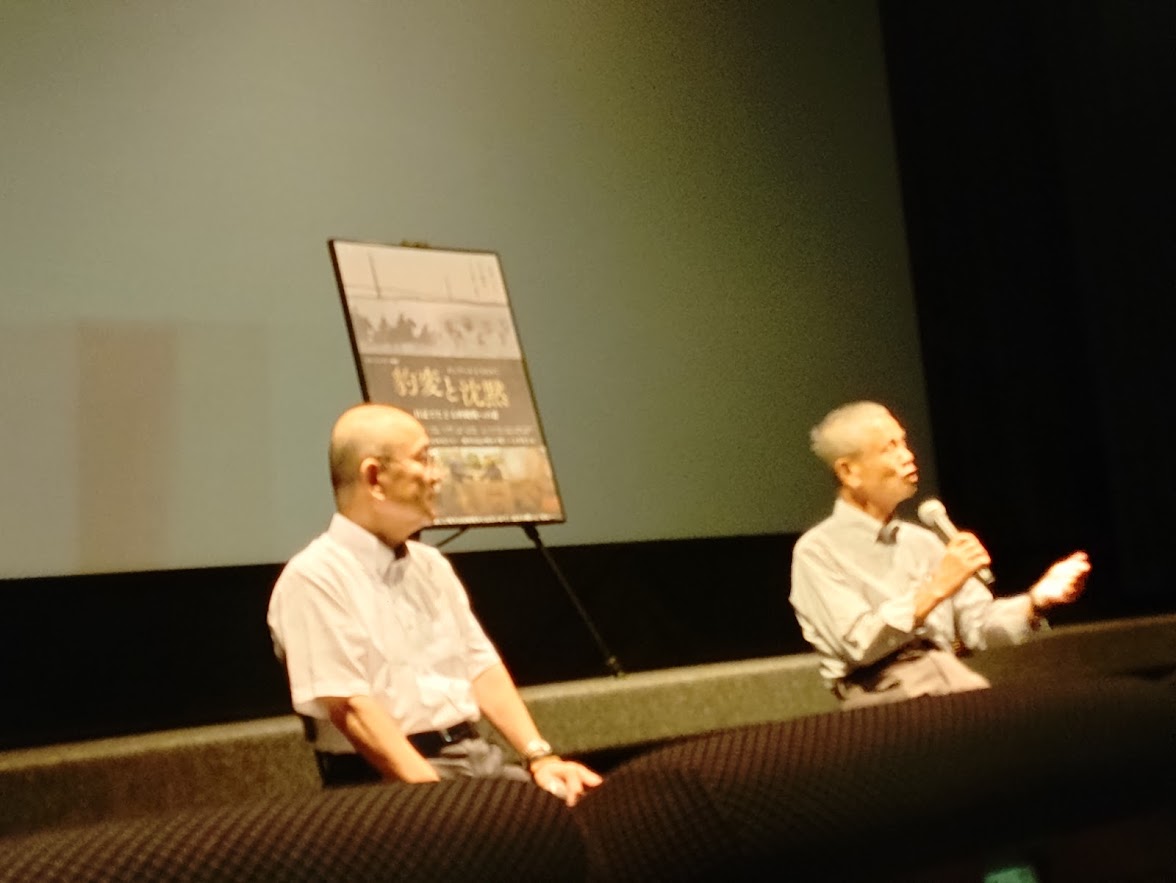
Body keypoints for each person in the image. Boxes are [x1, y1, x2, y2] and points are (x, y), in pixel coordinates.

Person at [267, 403, 602, 805]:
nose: (437, 475)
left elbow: (480, 666)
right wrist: (439, 803)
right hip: (388, 782)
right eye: (424, 459)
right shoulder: (314, 577)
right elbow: (352, 709)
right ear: (374, 477)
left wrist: (540, 758)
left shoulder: (431, 565)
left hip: (477, 758)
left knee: (581, 806)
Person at [790, 401, 1090, 709]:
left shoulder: (923, 542)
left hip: (946, 678)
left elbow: (979, 626)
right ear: (848, 471)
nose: (907, 456)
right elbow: (859, 644)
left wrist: (1036, 601)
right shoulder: (818, 550)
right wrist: (936, 588)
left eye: (904, 443)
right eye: (889, 448)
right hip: (881, 696)